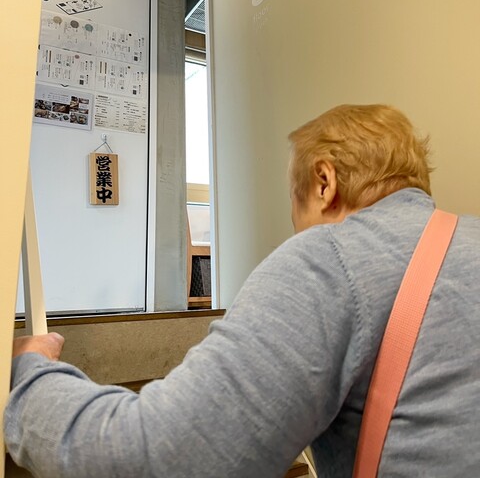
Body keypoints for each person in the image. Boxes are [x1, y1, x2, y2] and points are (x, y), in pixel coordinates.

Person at [5, 104, 480, 477]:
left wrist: (28, 374)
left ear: (324, 182)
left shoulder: (331, 259)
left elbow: (156, 460)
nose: (297, 230)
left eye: (295, 210)